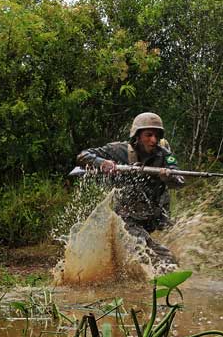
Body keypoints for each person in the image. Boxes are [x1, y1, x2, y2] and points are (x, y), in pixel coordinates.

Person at [76, 112, 184, 265]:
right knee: (159, 256)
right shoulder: (118, 150)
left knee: (172, 236)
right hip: (128, 216)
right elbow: (82, 156)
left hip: (155, 215)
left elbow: (180, 181)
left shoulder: (165, 155)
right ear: (138, 135)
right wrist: (101, 162)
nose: (153, 140)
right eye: (149, 135)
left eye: (157, 136)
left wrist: (168, 177)